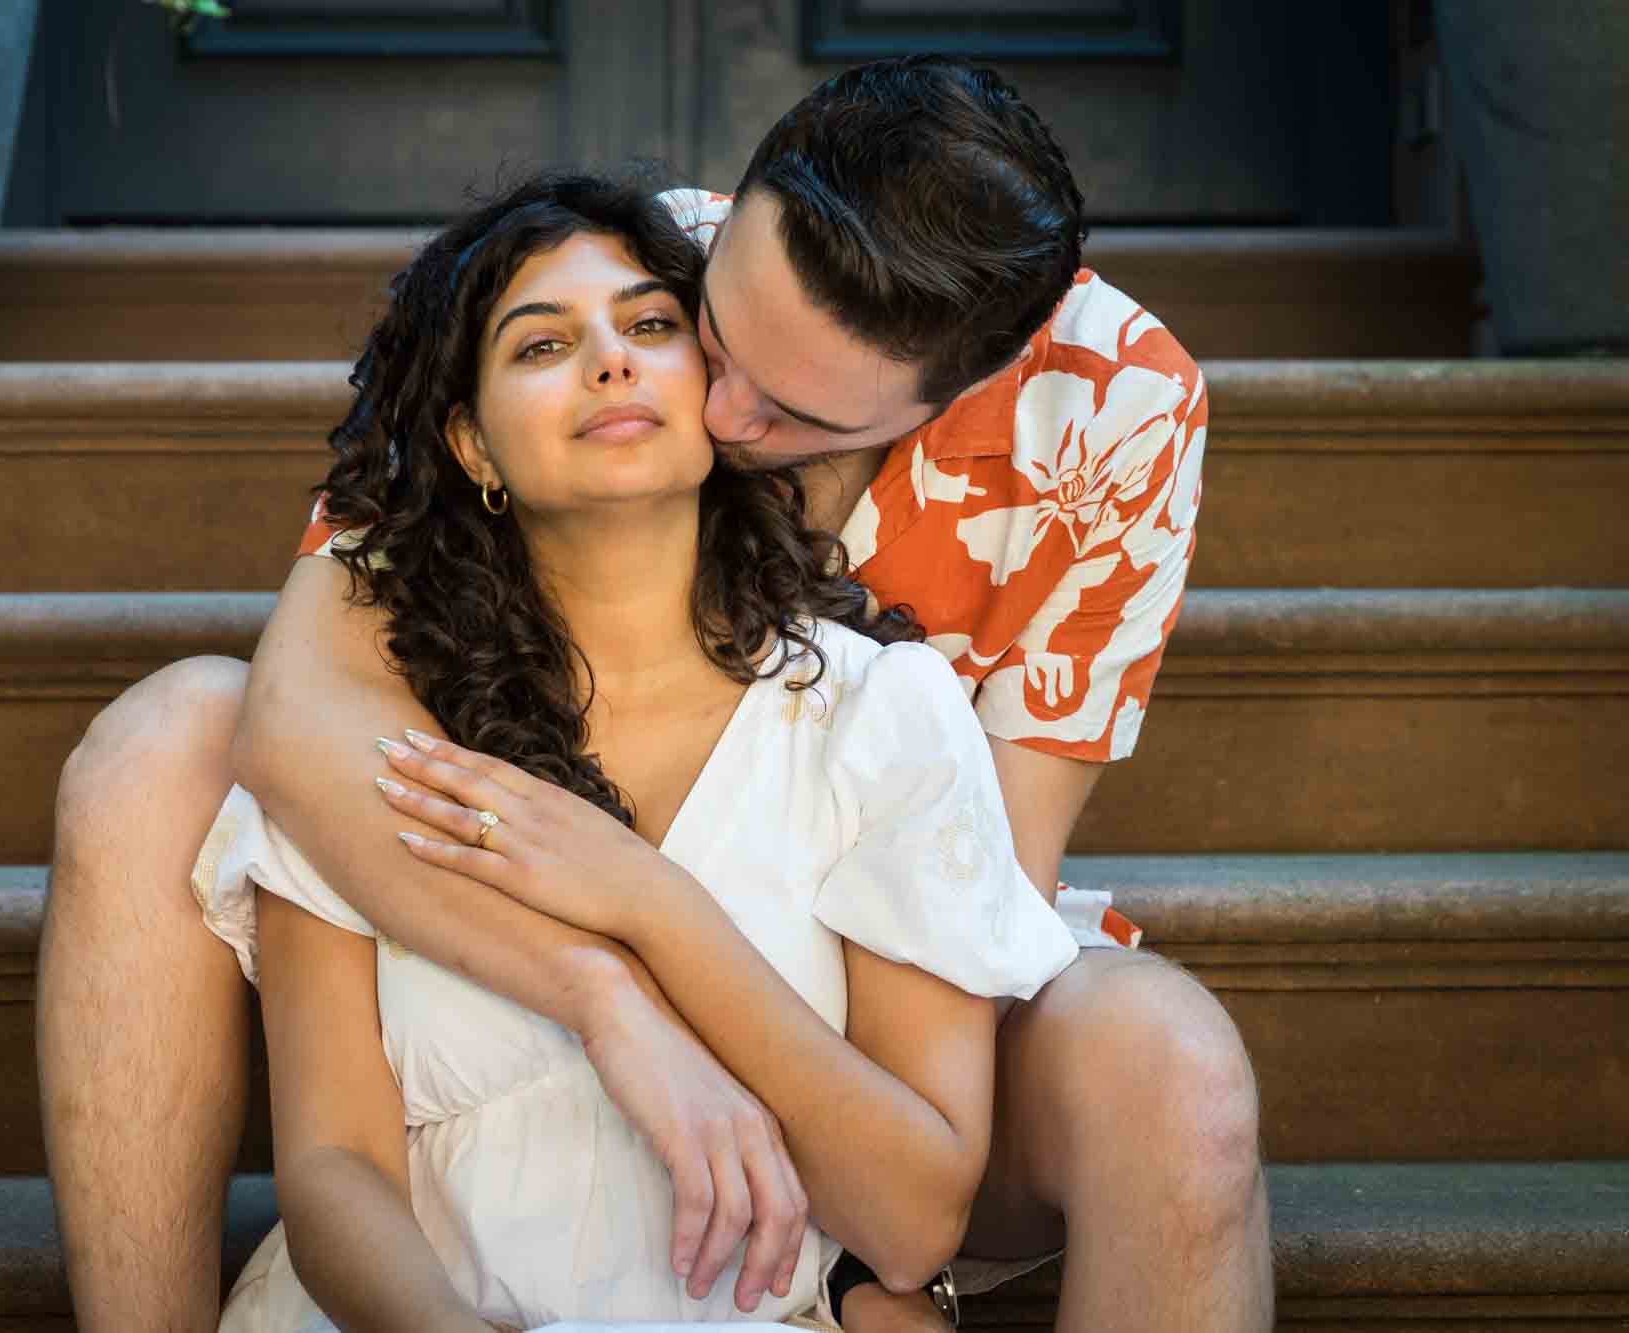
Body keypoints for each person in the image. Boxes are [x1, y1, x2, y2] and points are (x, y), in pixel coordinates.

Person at [39, 55, 1272, 1332]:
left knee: (1173, 1066)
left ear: (954, 392)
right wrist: (601, 989)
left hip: (888, 987)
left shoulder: (1114, 406)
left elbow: (987, 888)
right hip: (503, 899)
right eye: (715, 339)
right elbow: (301, 713)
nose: (718, 410)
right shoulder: (621, 263)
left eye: (791, 410)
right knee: (167, 733)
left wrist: (868, 1268)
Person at [195, 170, 1082, 1332]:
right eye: (540, 345)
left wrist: (655, 907)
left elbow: (912, 1224)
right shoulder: (381, 732)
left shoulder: (880, 715)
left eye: (649, 324)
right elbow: (328, 1170)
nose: (609, 359)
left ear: (710, 388)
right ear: (472, 446)